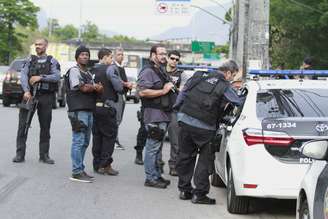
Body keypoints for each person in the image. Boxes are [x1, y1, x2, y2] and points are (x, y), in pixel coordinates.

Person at [175, 60, 244, 204]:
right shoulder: (224, 85)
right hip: (205, 128)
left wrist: (178, 111)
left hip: (185, 121)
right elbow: (238, 102)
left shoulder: (199, 76)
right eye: (233, 76)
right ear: (228, 72)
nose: (232, 79)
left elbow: (183, 93)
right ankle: (199, 195)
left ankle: (184, 190)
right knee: (204, 160)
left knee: (185, 156)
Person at [13, 38, 61, 164]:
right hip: (29, 95)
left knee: (45, 127)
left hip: (46, 97)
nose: (37, 46)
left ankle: (44, 155)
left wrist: (41, 77)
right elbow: (23, 75)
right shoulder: (29, 60)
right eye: (36, 44)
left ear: (46, 46)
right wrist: (26, 91)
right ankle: (19, 154)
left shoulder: (52, 61)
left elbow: (56, 76)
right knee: (23, 126)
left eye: (40, 44)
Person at [137, 44, 175, 189]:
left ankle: (157, 175)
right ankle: (150, 178)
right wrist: (163, 91)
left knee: (158, 148)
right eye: (161, 54)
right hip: (153, 115)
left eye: (165, 53)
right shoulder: (147, 71)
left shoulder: (160, 70)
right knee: (152, 147)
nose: (164, 56)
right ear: (153, 55)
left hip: (163, 114)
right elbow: (142, 92)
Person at [65, 46, 103, 183]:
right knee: (78, 140)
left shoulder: (86, 73)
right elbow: (82, 87)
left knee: (85, 142)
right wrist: (95, 87)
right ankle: (76, 171)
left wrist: (95, 87)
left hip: (88, 110)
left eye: (87, 54)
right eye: (82, 54)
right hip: (78, 110)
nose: (85, 57)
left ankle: (80, 169)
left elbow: (93, 87)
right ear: (77, 57)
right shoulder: (74, 71)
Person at [91, 48, 125, 176]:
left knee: (97, 137)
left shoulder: (92, 70)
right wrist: (122, 87)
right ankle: (105, 165)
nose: (112, 60)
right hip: (107, 107)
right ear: (104, 57)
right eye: (111, 57)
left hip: (95, 107)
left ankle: (97, 164)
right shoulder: (110, 69)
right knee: (109, 137)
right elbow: (118, 86)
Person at [166, 50, 183, 176]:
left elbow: (183, 90)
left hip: (174, 110)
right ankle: (157, 164)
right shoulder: (160, 71)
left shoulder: (180, 74)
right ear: (167, 58)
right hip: (159, 109)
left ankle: (173, 165)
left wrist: (176, 87)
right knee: (156, 140)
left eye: (177, 59)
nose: (174, 61)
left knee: (175, 141)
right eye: (172, 58)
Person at [112, 47, 133, 150]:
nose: (121, 56)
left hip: (123, 95)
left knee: (118, 120)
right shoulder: (113, 67)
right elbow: (116, 80)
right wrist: (126, 84)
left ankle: (115, 140)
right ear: (114, 55)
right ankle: (114, 141)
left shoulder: (121, 67)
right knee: (116, 119)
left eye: (122, 54)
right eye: (119, 54)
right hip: (116, 96)